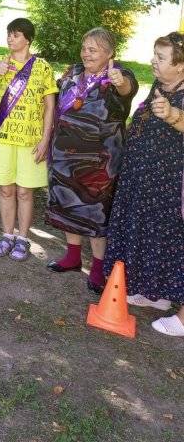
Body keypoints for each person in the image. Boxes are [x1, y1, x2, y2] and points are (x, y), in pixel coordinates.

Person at [45, 27, 138, 294]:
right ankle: (72, 256)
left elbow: (126, 90)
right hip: (64, 155)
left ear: (110, 54)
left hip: (100, 161)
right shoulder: (73, 72)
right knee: (66, 204)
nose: (86, 53)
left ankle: (98, 267)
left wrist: (119, 81)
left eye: (93, 49)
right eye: (85, 47)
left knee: (96, 214)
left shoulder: (119, 76)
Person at [105, 32, 184, 337]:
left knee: (162, 233)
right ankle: (151, 292)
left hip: (165, 182)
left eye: (161, 57)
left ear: (180, 66)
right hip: (142, 175)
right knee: (143, 229)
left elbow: (179, 120)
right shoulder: (160, 85)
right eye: (155, 54)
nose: (153, 60)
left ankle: (161, 294)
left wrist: (174, 115)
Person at [0, 18, 56, 260]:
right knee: (5, 190)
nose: (10, 39)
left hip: (30, 141)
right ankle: (7, 235)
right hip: (4, 138)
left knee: (25, 192)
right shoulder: (1, 62)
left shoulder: (43, 67)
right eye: (9, 34)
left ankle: (23, 238)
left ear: (28, 38)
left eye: (15, 34)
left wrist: (46, 139)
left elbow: (49, 106)